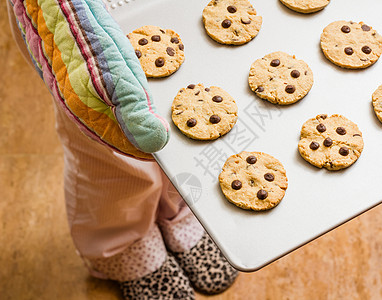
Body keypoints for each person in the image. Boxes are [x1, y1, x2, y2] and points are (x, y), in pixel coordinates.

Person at [6, 0, 238, 299]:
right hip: (74, 17)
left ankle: (178, 211)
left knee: (184, 117)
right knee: (107, 153)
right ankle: (123, 244)